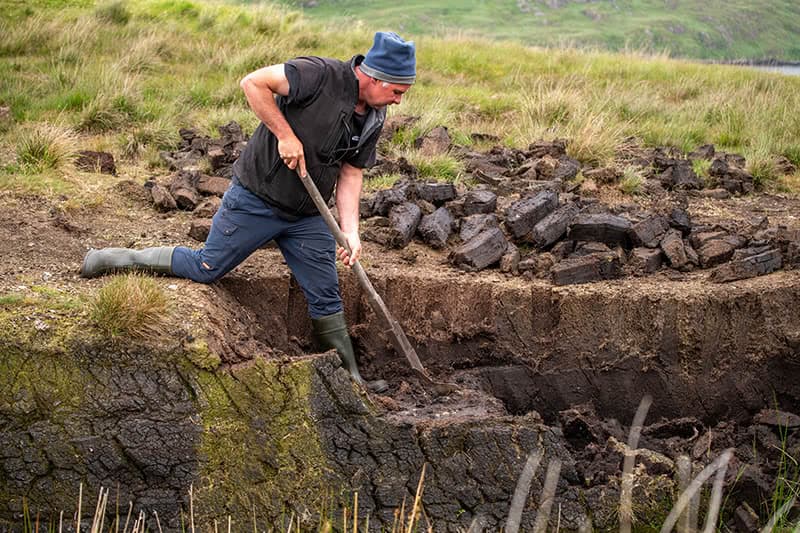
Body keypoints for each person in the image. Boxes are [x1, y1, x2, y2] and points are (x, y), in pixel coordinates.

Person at [81, 31, 417, 392]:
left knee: (326, 294)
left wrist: (350, 231)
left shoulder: (374, 118)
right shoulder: (318, 74)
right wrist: (285, 135)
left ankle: (351, 381)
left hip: (308, 216)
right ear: (375, 76)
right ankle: (107, 258)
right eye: (396, 91)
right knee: (205, 268)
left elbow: (351, 174)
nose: (397, 101)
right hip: (257, 199)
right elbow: (254, 83)